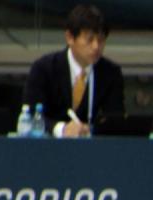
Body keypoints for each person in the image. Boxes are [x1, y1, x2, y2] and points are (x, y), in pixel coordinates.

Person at [23, 5, 125, 138]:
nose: (96, 47)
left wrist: (92, 129)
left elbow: (115, 120)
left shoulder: (110, 73)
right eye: (89, 40)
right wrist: (62, 129)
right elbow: (30, 116)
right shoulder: (44, 68)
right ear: (70, 37)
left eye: (101, 40)